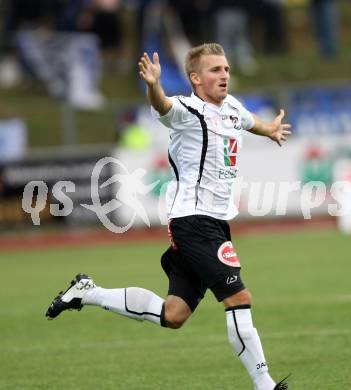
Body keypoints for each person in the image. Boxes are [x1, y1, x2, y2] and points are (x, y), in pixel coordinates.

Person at [46, 43, 291, 390]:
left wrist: (270, 129)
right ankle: (264, 384)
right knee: (239, 297)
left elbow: (250, 122)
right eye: (215, 70)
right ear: (195, 78)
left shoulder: (232, 107)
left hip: (214, 222)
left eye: (225, 69)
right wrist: (153, 85)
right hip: (195, 221)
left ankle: (88, 292)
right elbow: (162, 106)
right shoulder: (186, 110)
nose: (224, 75)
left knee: (173, 314)